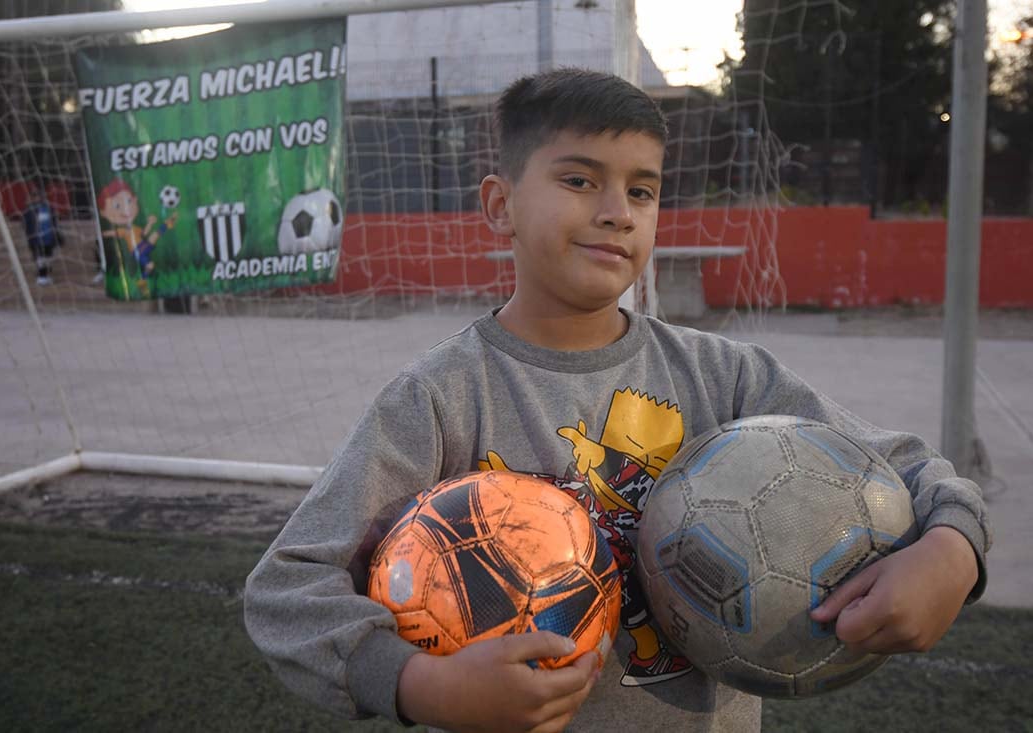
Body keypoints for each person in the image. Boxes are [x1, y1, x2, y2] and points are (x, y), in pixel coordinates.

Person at [244, 69, 991, 732]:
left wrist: (952, 550)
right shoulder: (438, 397)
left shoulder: (725, 377)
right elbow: (286, 589)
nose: (617, 211)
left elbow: (911, 471)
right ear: (500, 205)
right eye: (579, 180)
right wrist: (421, 684)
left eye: (641, 189)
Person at [21, 184, 62, 286]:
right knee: (40, 257)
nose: (37, 198)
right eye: (34, 196)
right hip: (37, 239)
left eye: (38, 195)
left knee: (48, 256)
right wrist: (30, 238)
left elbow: (54, 222)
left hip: (49, 238)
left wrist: (56, 234)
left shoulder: (48, 208)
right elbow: (26, 225)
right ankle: (41, 276)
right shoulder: (29, 210)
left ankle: (45, 275)